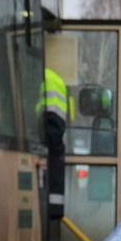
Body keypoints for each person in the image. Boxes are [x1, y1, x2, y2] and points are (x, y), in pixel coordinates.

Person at [39, 67, 68, 218]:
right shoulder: (53, 79)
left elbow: (53, 135)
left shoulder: (48, 80)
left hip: (45, 182)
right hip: (50, 187)